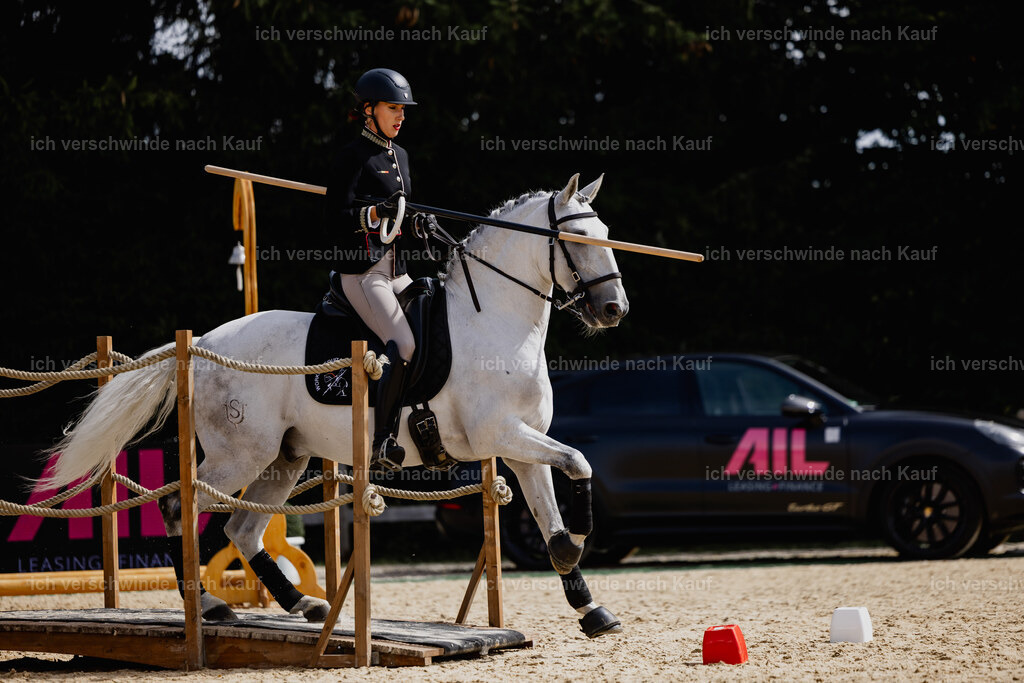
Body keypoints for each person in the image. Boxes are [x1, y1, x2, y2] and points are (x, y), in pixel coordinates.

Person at [325, 67, 418, 472]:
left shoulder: (401, 156)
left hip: (397, 270)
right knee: (405, 345)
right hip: (363, 274)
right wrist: (374, 212)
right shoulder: (352, 156)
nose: (401, 116)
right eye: (393, 107)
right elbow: (335, 218)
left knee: (435, 328)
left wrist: (416, 222)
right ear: (368, 109)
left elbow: (401, 214)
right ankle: (382, 442)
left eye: (403, 109)